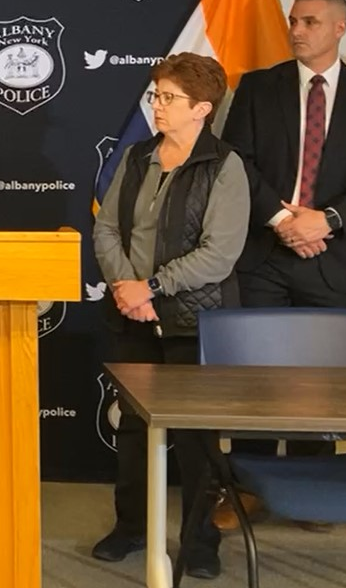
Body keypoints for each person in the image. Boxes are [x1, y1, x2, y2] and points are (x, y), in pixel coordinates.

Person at [217, 0, 346, 528]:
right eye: (293, 21)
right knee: (257, 376)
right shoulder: (258, 87)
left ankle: (309, 487)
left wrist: (325, 220)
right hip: (265, 253)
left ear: (340, 28)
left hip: (336, 254)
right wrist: (282, 221)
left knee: (318, 379)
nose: (297, 30)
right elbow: (238, 163)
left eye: (310, 21)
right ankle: (247, 489)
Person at [89, 53, 248, 579]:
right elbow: (106, 228)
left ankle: (201, 543)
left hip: (192, 324)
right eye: (155, 95)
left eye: (168, 98)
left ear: (202, 108)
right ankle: (130, 527)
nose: (156, 105)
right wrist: (126, 288)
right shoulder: (136, 157)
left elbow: (218, 253)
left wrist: (152, 286)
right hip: (131, 317)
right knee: (133, 430)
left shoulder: (225, 166)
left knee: (198, 441)